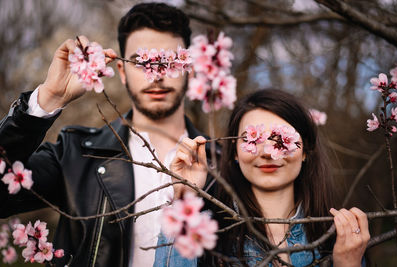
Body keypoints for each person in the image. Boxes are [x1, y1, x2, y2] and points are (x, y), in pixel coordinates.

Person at [0, 2, 217, 267]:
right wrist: (47, 100)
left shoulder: (227, 163)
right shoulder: (76, 153)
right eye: (142, 62)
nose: (157, 75)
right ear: (123, 72)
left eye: (168, 61)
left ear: (189, 69)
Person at [156, 89, 370, 266]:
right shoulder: (206, 234)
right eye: (253, 140)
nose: (267, 152)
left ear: (304, 150)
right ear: (235, 153)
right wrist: (184, 198)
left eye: (280, 139)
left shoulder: (342, 239)